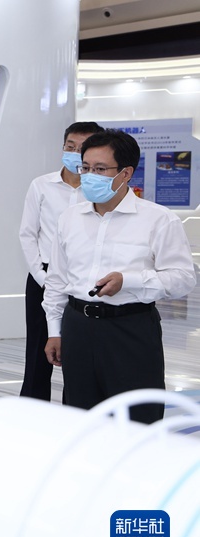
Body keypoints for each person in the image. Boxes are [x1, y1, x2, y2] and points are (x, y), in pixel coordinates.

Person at [43, 129, 195, 424]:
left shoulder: (158, 219)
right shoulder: (69, 218)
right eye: (86, 168)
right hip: (77, 328)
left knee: (138, 419)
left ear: (125, 173)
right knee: (82, 417)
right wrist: (54, 330)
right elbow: (57, 280)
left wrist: (130, 281)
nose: (90, 176)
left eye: (100, 169)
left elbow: (182, 278)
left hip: (130, 329)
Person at [18, 122, 103, 401]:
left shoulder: (98, 190)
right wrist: (42, 277)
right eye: (70, 146)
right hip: (44, 275)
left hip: (85, 280)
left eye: (83, 148)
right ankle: (33, 410)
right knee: (38, 350)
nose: (75, 153)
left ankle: (75, 410)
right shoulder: (41, 185)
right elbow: (28, 234)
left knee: (80, 353)